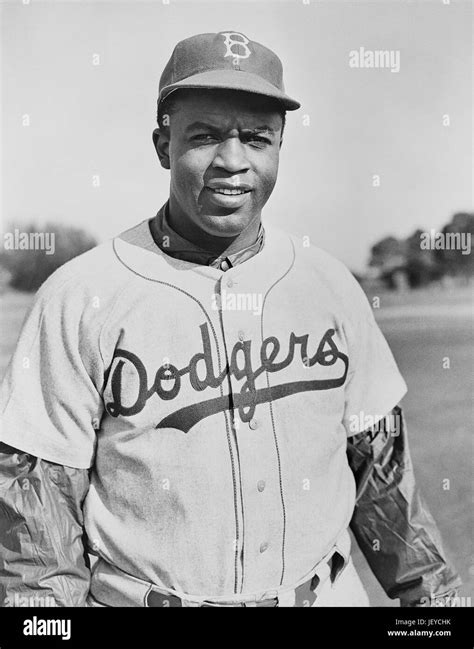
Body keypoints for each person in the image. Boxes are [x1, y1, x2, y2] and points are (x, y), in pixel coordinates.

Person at [0, 31, 460, 608]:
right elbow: (36, 529)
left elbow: (384, 481)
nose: (233, 162)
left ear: (278, 149)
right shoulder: (79, 296)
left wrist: (438, 608)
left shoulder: (329, 285)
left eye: (256, 138)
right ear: (162, 145)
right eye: (206, 136)